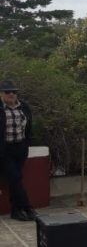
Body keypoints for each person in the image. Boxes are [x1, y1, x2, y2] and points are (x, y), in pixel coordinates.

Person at [0, 79, 36, 221]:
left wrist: (27, 144)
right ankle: (27, 207)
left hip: (20, 148)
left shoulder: (24, 107)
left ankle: (16, 211)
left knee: (15, 181)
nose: (11, 94)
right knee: (15, 178)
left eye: (13, 92)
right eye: (7, 92)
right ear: (1, 94)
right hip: (5, 150)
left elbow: (29, 128)